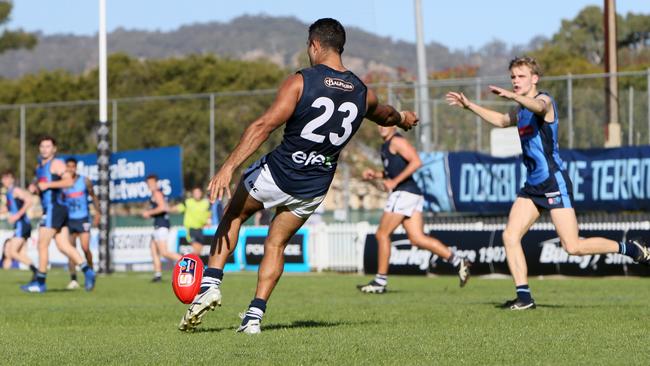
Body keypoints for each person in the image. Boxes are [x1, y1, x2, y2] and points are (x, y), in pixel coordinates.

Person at [178, 18, 418, 334]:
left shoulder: (301, 81)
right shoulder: (361, 92)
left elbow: (263, 126)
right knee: (276, 244)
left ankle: (211, 283)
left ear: (314, 45)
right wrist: (402, 118)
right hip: (314, 187)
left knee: (234, 215)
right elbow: (385, 114)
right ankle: (253, 318)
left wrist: (228, 166)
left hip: (277, 174)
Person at [445, 56, 650, 310]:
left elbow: (540, 108)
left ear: (534, 78)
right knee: (510, 235)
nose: (516, 81)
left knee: (572, 247)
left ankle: (630, 248)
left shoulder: (545, 100)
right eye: (513, 77)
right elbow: (500, 120)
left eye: (521, 76)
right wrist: (469, 105)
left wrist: (514, 96)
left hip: (553, 182)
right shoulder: (521, 111)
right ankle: (524, 297)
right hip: (532, 186)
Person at [357, 126, 471, 294]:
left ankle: (380, 281)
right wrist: (376, 174)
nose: (381, 126)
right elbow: (394, 170)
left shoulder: (396, 140)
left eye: (385, 123)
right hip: (412, 194)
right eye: (379, 123)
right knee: (417, 238)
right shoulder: (386, 144)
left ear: (394, 125)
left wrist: (394, 182)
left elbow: (416, 161)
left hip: (404, 193)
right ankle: (458, 260)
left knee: (382, 234)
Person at [22, 136, 96, 293]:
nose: (44, 149)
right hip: (53, 209)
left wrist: (47, 184)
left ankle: (40, 283)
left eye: (48, 146)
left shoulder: (56, 163)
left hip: (54, 209)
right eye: (42, 146)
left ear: (54, 149)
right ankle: (88, 271)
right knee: (63, 245)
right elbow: (42, 186)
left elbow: (69, 182)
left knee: (42, 244)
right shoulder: (39, 166)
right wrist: (35, 187)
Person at [63, 158, 100, 290]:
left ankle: (90, 271)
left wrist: (98, 214)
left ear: (76, 167)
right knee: (71, 250)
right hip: (69, 219)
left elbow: (94, 197)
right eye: (68, 166)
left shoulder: (84, 181)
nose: (71, 169)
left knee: (85, 248)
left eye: (73, 166)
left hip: (83, 218)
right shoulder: (63, 183)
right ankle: (73, 279)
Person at [144, 174, 181, 282]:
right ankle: (158, 275)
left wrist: (149, 213)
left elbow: (163, 207)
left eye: (151, 183)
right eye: (148, 183)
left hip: (162, 225)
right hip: (158, 225)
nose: (150, 185)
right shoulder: (153, 194)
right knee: (153, 249)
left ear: (156, 183)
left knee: (164, 252)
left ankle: (186, 262)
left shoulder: (157, 193)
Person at [1, 170, 37, 276]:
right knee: (21, 254)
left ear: (12, 179)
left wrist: (17, 215)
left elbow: (29, 200)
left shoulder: (15, 190)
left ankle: (37, 272)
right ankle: (36, 275)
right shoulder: (8, 193)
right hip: (20, 225)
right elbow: (8, 208)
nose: (5, 180)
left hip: (22, 224)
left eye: (8, 178)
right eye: (4, 178)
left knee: (12, 252)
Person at [173, 186, 211, 255]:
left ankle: (192, 264)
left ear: (201, 193)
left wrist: (208, 222)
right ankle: (185, 263)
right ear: (192, 194)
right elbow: (178, 208)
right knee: (196, 250)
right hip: (191, 230)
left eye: (198, 192)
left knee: (199, 251)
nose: (197, 194)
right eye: (195, 193)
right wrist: (167, 209)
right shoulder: (188, 202)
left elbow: (208, 214)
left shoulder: (205, 203)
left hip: (200, 229)